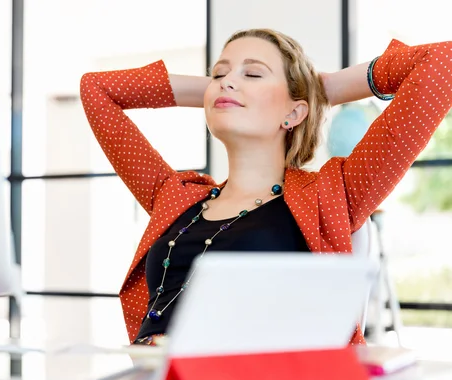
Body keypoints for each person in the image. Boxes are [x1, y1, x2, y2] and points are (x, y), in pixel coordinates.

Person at [80, 28, 452, 346]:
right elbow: (96, 89)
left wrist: (329, 88)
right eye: (218, 73)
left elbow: (443, 62)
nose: (227, 80)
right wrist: (216, 92)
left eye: (254, 75)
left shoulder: (331, 195)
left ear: (294, 113)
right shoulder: (174, 195)